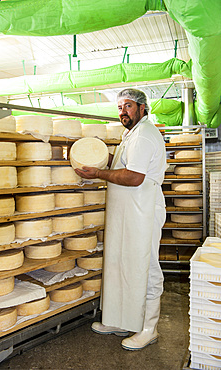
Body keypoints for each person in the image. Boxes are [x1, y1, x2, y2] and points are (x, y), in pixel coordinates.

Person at [75, 88, 167, 351]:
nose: (122, 112)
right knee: (122, 265)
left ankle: (148, 327)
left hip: (143, 211)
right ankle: (121, 320)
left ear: (142, 107)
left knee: (145, 268)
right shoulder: (130, 134)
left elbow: (134, 177)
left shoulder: (145, 135)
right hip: (127, 212)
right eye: (119, 107)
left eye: (127, 106)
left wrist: (99, 174)